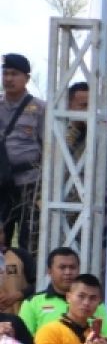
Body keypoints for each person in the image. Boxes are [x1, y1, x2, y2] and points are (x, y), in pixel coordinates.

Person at [19, 247, 107, 338]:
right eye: (62, 267)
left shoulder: (95, 303)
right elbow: (24, 341)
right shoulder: (32, 303)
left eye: (72, 267)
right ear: (49, 271)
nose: (68, 272)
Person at [0, 53, 45, 249]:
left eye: (14, 74)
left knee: (29, 239)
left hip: (28, 184)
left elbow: (49, 148)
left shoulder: (39, 109)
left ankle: (27, 278)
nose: (8, 79)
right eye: (5, 73)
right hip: (1, 185)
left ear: (26, 78)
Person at [0, 230, 34, 316]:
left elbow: (38, 284)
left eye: (0, 232)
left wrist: (18, 295)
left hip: (19, 319)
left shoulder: (20, 255)